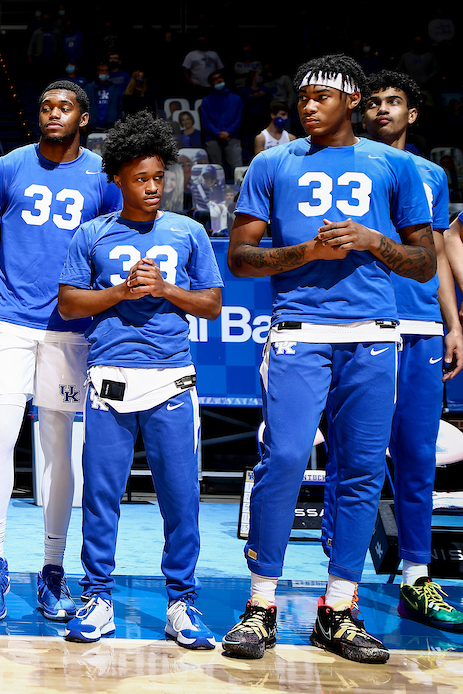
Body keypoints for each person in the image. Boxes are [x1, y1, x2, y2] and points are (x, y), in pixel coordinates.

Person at [223, 55, 434, 664]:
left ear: (354, 100)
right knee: (284, 458)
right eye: (302, 96)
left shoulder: (394, 165)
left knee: (363, 468)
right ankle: (260, 605)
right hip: (297, 331)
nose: (307, 105)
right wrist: (305, 252)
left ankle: (338, 611)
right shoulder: (271, 163)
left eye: (320, 96)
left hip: (374, 332)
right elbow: (240, 258)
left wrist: (375, 242)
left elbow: (422, 263)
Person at [57, 110, 222, 648]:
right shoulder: (92, 233)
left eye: (158, 177)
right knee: (101, 497)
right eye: (140, 179)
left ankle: (182, 603)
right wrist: (120, 293)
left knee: (180, 499)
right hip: (109, 376)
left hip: (172, 380)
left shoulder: (190, 231)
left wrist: (165, 290)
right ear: (118, 181)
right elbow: (68, 303)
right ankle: (97, 598)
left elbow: (212, 305)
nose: (152, 188)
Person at [0, 80, 121, 622]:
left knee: (60, 448)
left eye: (64, 107)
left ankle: (52, 569)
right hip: (11, 325)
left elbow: (112, 247)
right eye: (45, 106)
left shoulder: (103, 176)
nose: (52, 113)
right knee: (0, 439)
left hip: (70, 331)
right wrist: (10, 297)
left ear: (83, 117)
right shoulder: (7, 168)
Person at [326, 71, 462, 632]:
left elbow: (436, 255)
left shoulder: (431, 175)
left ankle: (416, 577)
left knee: (416, 455)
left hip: (421, 326)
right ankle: (342, 587)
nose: (383, 109)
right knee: (349, 458)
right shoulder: (338, 166)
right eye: (375, 101)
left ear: (412, 113)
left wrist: (452, 323)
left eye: (395, 101)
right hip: (356, 325)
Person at [199, 70, 243, 177]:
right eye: (215, 79)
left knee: (238, 169)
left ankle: (242, 192)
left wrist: (228, 133)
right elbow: (206, 122)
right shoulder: (206, 101)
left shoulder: (236, 99)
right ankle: (216, 191)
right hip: (213, 137)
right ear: (211, 84)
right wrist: (219, 133)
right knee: (216, 168)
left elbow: (238, 119)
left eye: (220, 78)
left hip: (231, 136)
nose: (218, 80)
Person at [84, 64, 123, 132]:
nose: (104, 73)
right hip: (93, 125)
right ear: (97, 72)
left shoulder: (114, 88)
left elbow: (119, 107)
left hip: (111, 126)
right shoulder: (89, 88)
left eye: (106, 71)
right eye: (102, 70)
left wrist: (118, 123)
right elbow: (83, 106)